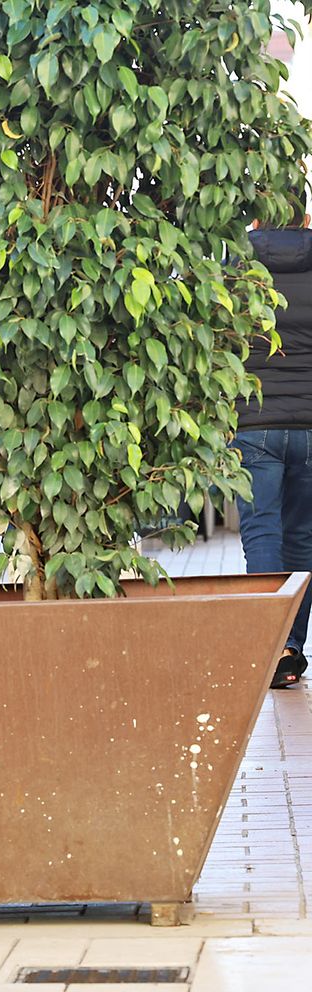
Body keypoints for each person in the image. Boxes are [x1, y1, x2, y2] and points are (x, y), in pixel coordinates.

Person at [237, 186, 312, 688]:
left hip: (254, 421)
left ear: (257, 220)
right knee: (303, 537)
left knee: (263, 533)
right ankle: (291, 647)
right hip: (311, 425)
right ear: (304, 215)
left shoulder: (236, 267)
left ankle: (271, 648)